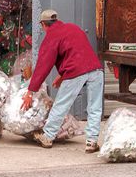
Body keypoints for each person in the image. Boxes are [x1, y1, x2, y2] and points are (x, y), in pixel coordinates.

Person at [21, 9, 104, 153]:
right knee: (94, 107)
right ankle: (92, 141)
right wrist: (62, 75)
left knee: (61, 105)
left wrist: (30, 91)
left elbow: (43, 66)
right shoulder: (72, 27)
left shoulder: (51, 36)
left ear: (43, 24)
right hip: (96, 69)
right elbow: (77, 52)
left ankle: (47, 136)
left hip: (75, 71)